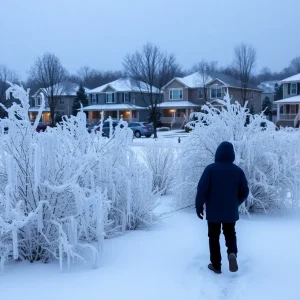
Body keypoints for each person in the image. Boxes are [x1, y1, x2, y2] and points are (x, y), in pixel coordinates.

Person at [195, 141, 249, 274]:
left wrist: (199, 205)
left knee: (213, 236)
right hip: (230, 211)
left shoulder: (210, 169)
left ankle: (216, 265)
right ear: (232, 154)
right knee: (230, 233)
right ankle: (232, 253)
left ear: (218, 153)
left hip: (213, 212)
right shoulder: (238, 171)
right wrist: (236, 203)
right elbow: (245, 191)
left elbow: (202, 189)